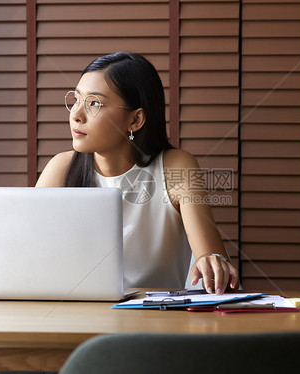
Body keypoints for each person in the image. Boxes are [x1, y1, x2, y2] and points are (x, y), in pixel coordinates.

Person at [36, 52, 238, 295]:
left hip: (158, 320)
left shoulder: (176, 166)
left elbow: (210, 257)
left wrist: (211, 261)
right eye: (76, 99)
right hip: (79, 316)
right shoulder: (61, 168)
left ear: (136, 119)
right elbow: (29, 257)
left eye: (94, 103)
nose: (76, 115)